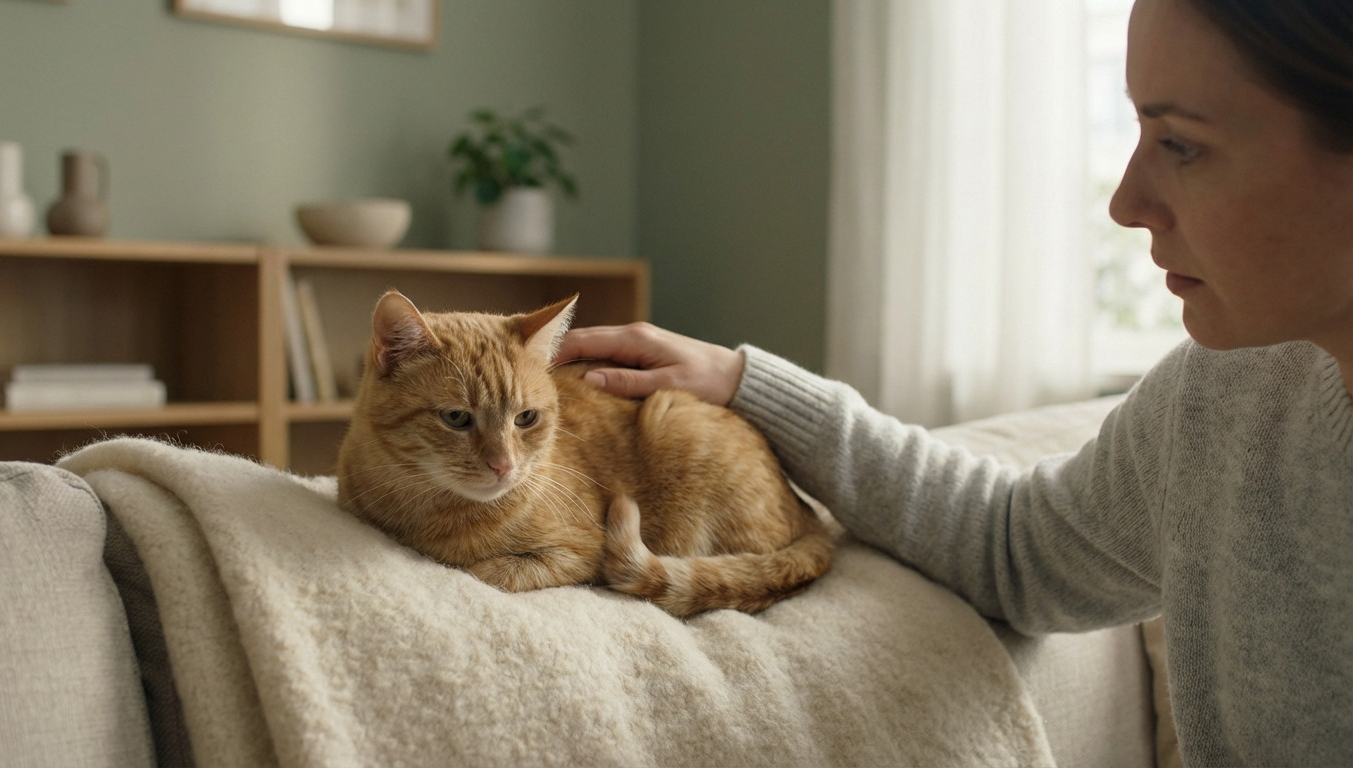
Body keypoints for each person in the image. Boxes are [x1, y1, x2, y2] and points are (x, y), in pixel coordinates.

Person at [555, 0, 1353, 764]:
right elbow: (1018, 551)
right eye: (1140, 130)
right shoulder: (1224, 397)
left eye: (1181, 144)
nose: (1125, 202)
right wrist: (747, 385)